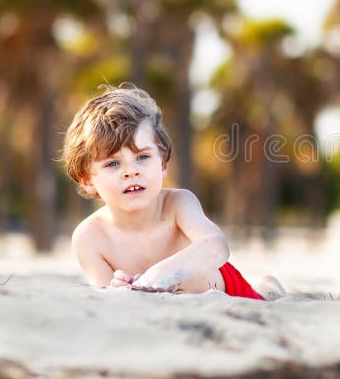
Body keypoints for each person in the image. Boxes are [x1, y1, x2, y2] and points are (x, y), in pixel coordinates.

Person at [62, 84, 284, 299]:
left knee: (263, 296)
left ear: (163, 164)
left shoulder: (178, 204)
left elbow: (217, 246)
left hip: (227, 289)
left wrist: (164, 275)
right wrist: (118, 287)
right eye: (112, 164)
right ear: (87, 180)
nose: (131, 172)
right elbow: (106, 298)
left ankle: (267, 287)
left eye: (142, 157)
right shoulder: (89, 238)